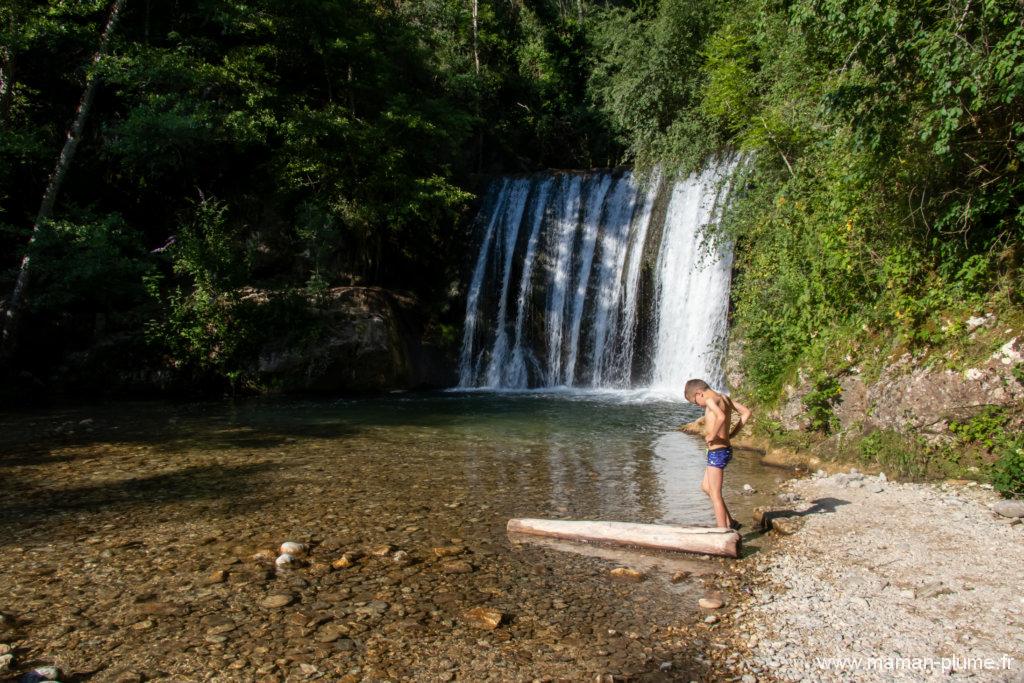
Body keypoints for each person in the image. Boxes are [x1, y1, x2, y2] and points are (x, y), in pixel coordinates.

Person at [684, 378, 752, 530]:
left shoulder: (709, 401)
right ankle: (731, 522)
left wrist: (712, 435)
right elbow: (746, 412)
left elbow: (720, 416)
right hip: (722, 450)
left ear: (699, 393)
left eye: (695, 402)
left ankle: (723, 531)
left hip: (717, 452)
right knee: (706, 487)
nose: (697, 405)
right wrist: (732, 433)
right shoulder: (724, 398)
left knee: (715, 493)